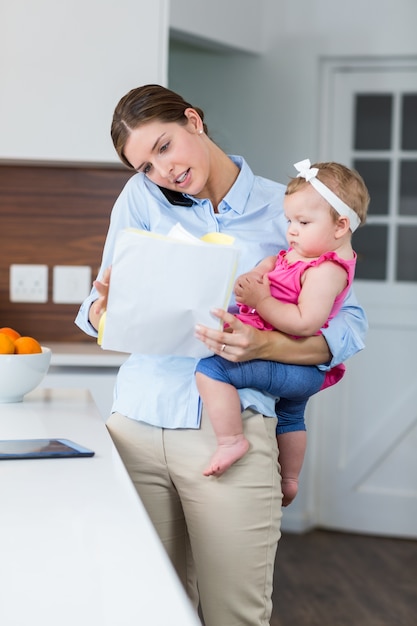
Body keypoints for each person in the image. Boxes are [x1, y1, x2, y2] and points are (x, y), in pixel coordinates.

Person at [75, 84, 368, 626]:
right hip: (136, 424)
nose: (160, 170)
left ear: (194, 121)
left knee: (236, 615)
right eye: (144, 164)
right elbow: (94, 305)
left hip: (230, 433)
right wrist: (105, 309)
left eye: (164, 147)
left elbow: (349, 325)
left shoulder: (293, 207)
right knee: (144, 611)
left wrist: (265, 344)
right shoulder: (139, 200)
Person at [195, 160, 369, 506]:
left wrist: (260, 301)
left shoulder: (327, 272)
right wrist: (259, 272)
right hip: (295, 370)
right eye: (289, 221)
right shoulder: (305, 253)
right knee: (290, 416)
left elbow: (305, 322)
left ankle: (231, 440)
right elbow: (277, 262)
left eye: (303, 222)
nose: (291, 230)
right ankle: (289, 479)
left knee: (212, 369)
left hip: (298, 366)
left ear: (341, 226)